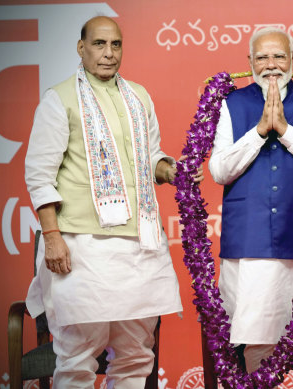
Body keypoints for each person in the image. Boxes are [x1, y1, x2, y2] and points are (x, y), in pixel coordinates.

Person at [24, 16, 201, 387]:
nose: (108, 53)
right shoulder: (59, 100)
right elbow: (40, 176)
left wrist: (171, 171)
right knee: (77, 355)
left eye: (115, 45)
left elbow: (148, 157)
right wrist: (52, 236)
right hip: (83, 246)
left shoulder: (139, 96)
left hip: (140, 243)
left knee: (138, 352)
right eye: (99, 44)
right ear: (81, 48)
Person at [208, 27, 293, 389]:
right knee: (259, 336)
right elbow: (219, 170)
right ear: (249, 62)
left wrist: (284, 130)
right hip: (251, 243)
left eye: (279, 56)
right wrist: (257, 132)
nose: (271, 65)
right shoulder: (231, 104)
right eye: (262, 57)